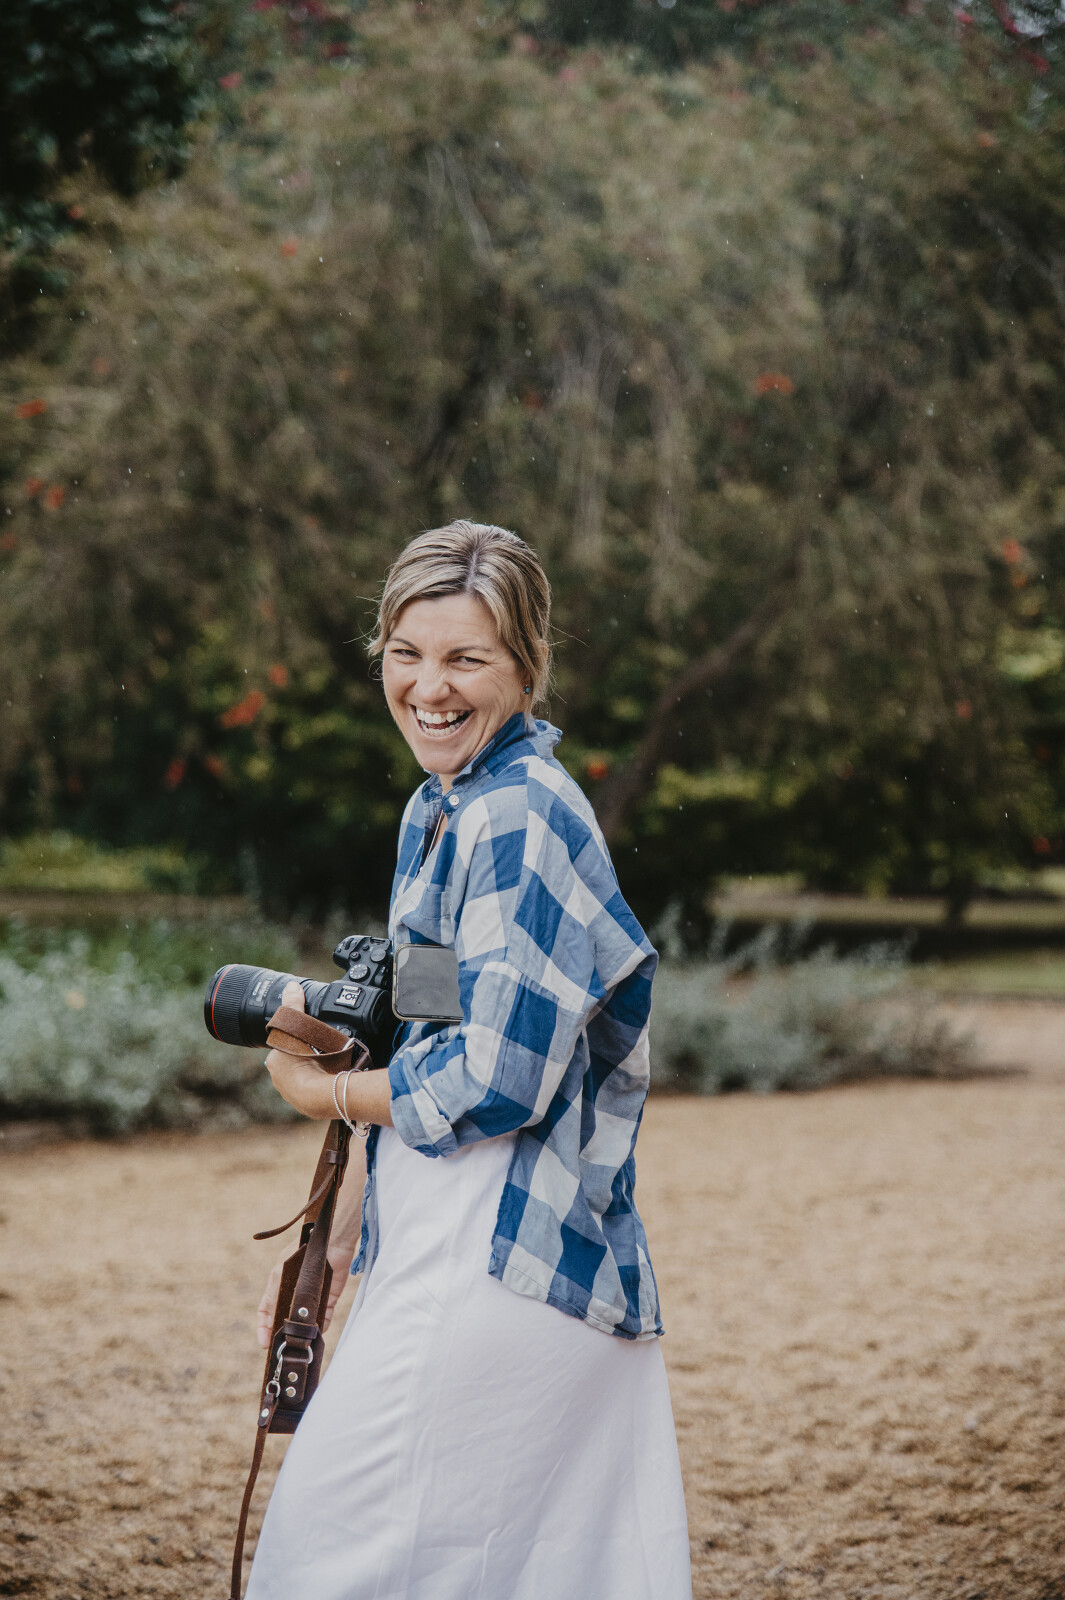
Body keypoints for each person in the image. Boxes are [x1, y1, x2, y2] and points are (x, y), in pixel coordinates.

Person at [246, 521, 692, 1600]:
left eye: (466, 658)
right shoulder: (439, 809)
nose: (428, 687)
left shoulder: (516, 817)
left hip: (504, 1255)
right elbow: (438, 1034)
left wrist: (322, 1090)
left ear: (526, 668)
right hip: (448, 1231)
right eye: (405, 653)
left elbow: (497, 1081)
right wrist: (344, 1220)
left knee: (327, 1555)